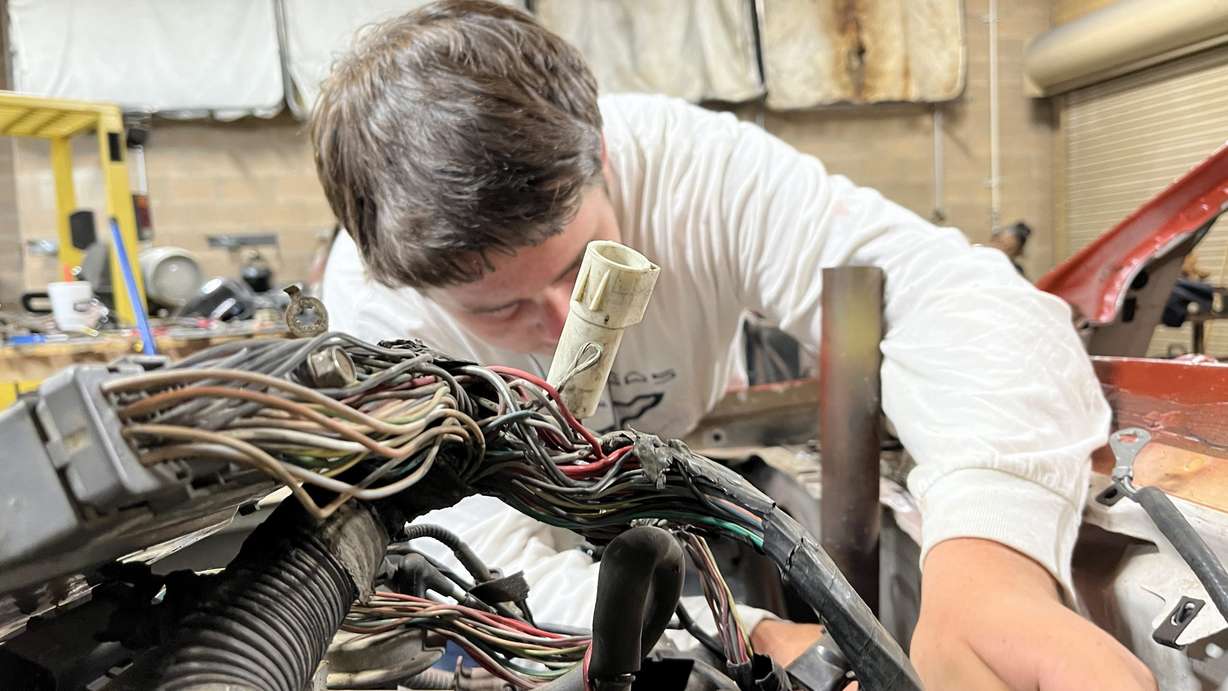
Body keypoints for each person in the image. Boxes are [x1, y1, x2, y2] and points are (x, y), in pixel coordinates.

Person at [312, 2, 1155, 688]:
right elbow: (473, 553)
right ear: (406, 286)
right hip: (517, 521)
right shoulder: (373, 303)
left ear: (601, 155)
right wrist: (755, 635)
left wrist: (990, 564)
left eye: (585, 265)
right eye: (501, 310)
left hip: (669, 457)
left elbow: (951, 296)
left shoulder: (696, 166)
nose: (567, 321)